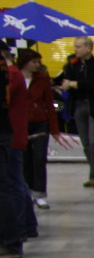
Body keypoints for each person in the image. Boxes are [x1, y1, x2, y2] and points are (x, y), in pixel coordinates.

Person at [58, 36, 94, 188]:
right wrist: (72, 84)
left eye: (79, 47)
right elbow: (64, 83)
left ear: (88, 48)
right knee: (85, 142)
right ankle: (93, 172)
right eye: (75, 46)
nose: (76, 49)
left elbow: (93, 83)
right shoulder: (72, 65)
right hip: (78, 105)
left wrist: (74, 84)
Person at [0, 47, 37, 258]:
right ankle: (25, 227)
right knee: (16, 182)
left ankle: (18, 233)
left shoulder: (12, 74)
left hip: (10, 133)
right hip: (12, 132)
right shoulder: (11, 72)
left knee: (11, 184)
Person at [11, 49, 59, 209]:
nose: (37, 65)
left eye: (39, 62)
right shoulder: (13, 77)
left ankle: (39, 193)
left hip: (40, 122)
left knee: (39, 159)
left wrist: (54, 128)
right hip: (20, 123)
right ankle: (27, 191)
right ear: (25, 62)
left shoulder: (43, 79)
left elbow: (49, 104)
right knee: (24, 159)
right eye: (34, 62)